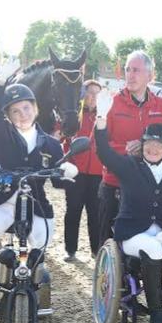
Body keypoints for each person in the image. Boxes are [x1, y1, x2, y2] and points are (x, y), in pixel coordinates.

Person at [94, 119, 162, 323]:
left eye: (159, 145)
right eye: (149, 143)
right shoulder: (129, 167)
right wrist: (100, 126)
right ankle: (156, 314)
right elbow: (105, 154)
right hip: (133, 234)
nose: (153, 148)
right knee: (153, 249)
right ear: (142, 145)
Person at [0, 59, 77, 249]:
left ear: (35, 109)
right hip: (0, 199)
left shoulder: (52, 145)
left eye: (26, 108)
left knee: (41, 242)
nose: (22, 114)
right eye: (15, 111)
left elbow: (57, 182)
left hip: (35, 204)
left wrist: (66, 170)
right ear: (8, 115)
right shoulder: (1, 134)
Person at [97, 51, 162, 250]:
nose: (130, 75)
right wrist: (125, 150)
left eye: (136, 70)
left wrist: (147, 147)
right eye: (127, 70)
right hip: (115, 184)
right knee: (107, 244)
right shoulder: (112, 103)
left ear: (150, 76)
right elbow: (96, 143)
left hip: (149, 187)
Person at [62, 79, 104, 261]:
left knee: (95, 213)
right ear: (82, 95)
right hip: (76, 171)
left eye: (96, 93)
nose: (93, 97)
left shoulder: (104, 116)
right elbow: (63, 140)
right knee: (73, 210)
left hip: (97, 173)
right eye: (90, 92)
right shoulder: (73, 116)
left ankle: (96, 250)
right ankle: (71, 250)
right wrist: (68, 160)